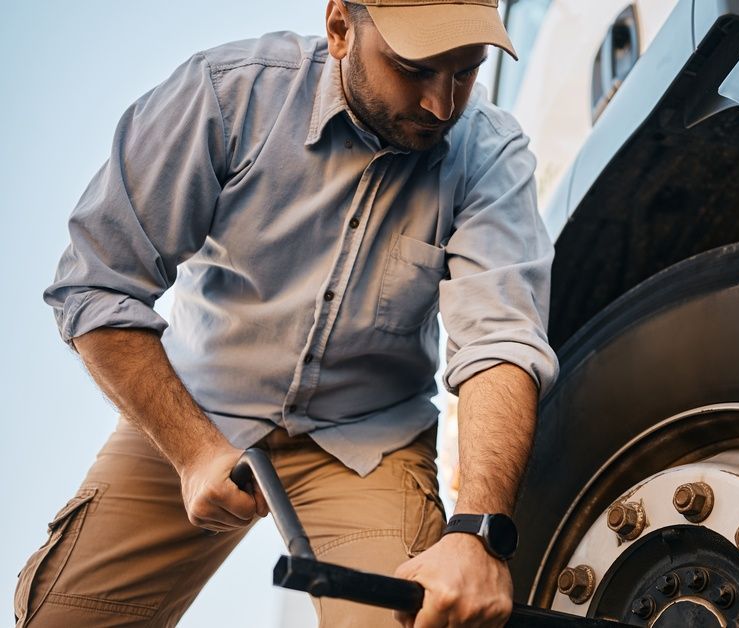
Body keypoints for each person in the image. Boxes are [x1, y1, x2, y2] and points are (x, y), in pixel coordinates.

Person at [14, 0, 557, 626]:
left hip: (368, 441)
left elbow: (502, 343)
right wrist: (193, 450)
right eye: (414, 68)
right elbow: (95, 285)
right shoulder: (227, 97)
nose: (441, 105)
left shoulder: (491, 153)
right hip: (194, 410)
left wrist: (478, 534)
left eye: (464, 71)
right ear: (340, 27)